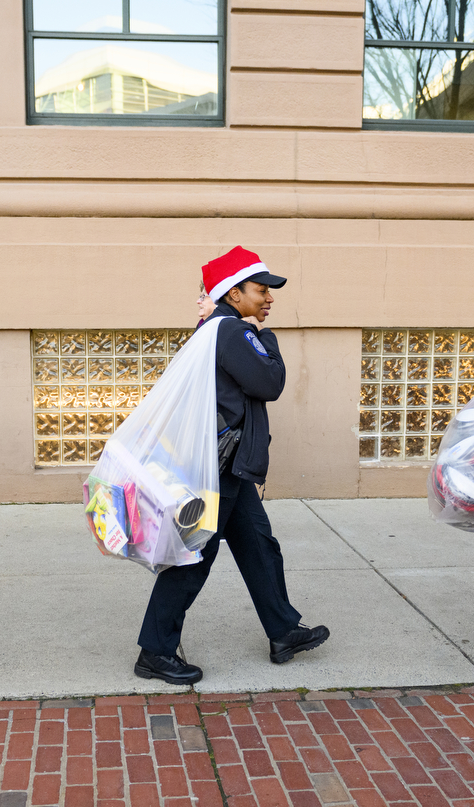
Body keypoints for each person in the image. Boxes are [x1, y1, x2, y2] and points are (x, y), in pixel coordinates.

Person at [134, 247, 329, 685]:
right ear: (234, 292)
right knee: (194, 557)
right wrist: (268, 339)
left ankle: (283, 632)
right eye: (261, 290)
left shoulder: (218, 329)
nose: (268, 298)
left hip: (228, 467)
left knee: (260, 547)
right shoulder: (230, 331)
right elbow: (270, 382)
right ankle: (156, 651)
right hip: (218, 471)